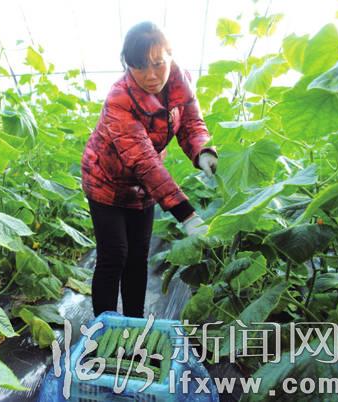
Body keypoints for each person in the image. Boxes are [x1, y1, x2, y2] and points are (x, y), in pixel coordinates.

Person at [81, 21, 218, 318]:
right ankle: (104, 328)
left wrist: (202, 150)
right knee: (114, 254)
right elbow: (143, 160)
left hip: (143, 188)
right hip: (105, 181)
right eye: (140, 66)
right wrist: (186, 214)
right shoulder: (120, 98)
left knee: (138, 256)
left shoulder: (179, 82)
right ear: (128, 65)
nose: (151, 75)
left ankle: (134, 324)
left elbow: (191, 123)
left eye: (158, 64)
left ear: (170, 55)